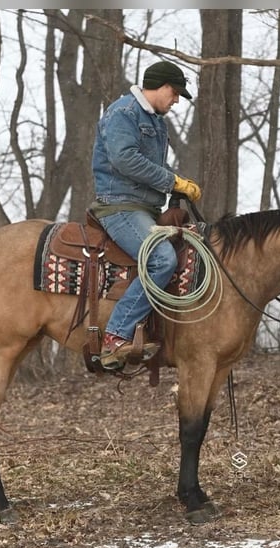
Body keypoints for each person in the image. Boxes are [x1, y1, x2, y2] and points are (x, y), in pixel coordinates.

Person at [91, 60, 202, 368]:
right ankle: (115, 338)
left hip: (145, 207)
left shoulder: (155, 122)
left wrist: (178, 187)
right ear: (163, 86)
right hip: (120, 206)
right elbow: (125, 159)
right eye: (176, 93)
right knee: (162, 259)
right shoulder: (123, 113)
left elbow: (148, 165)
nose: (177, 99)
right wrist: (172, 181)